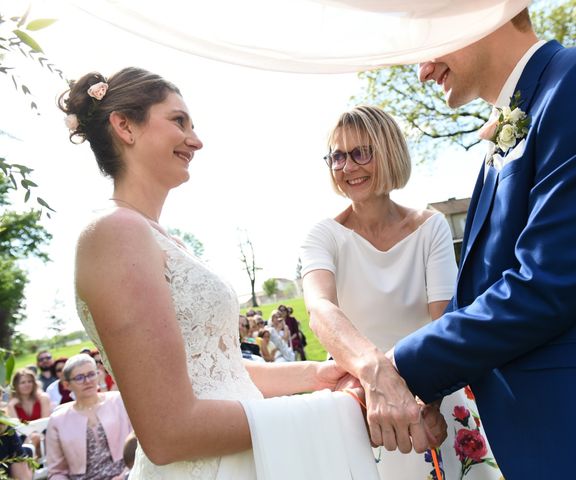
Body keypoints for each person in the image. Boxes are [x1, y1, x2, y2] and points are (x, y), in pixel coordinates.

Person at [62, 67, 445, 478]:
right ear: (125, 126)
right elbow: (168, 432)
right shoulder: (114, 233)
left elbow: (216, 372)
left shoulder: (162, 240)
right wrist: (340, 407)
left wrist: (318, 374)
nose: (196, 140)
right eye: (178, 121)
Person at [362, 8, 576, 479]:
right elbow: (478, 293)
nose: (422, 70)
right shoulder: (506, 131)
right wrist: (420, 386)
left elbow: (547, 284)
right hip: (541, 439)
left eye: (426, 43)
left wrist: (400, 368)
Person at [301, 105, 500, 479]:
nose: (348, 167)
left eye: (362, 152)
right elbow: (319, 306)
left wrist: (429, 403)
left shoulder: (432, 226)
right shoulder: (323, 235)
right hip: (362, 407)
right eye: (338, 156)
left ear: (389, 151)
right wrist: (377, 377)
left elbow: (443, 320)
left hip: (434, 393)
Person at [46, 354, 132, 480]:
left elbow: (138, 445)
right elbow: (56, 472)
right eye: (79, 377)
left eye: (91, 374)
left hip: (126, 475)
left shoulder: (118, 401)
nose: (87, 381)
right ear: (67, 384)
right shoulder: (58, 420)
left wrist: (125, 475)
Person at [7, 368, 51, 459]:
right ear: (16, 385)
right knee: (33, 437)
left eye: (29, 381)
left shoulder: (43, 398)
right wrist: (11, 407)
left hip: (44, 433)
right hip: (23, 436)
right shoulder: (12, 404)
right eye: (22, 382)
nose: (27, 385)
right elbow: (17, 426)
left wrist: (29, 426)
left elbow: (45, 421)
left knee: (35, 436)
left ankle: (25, 462)